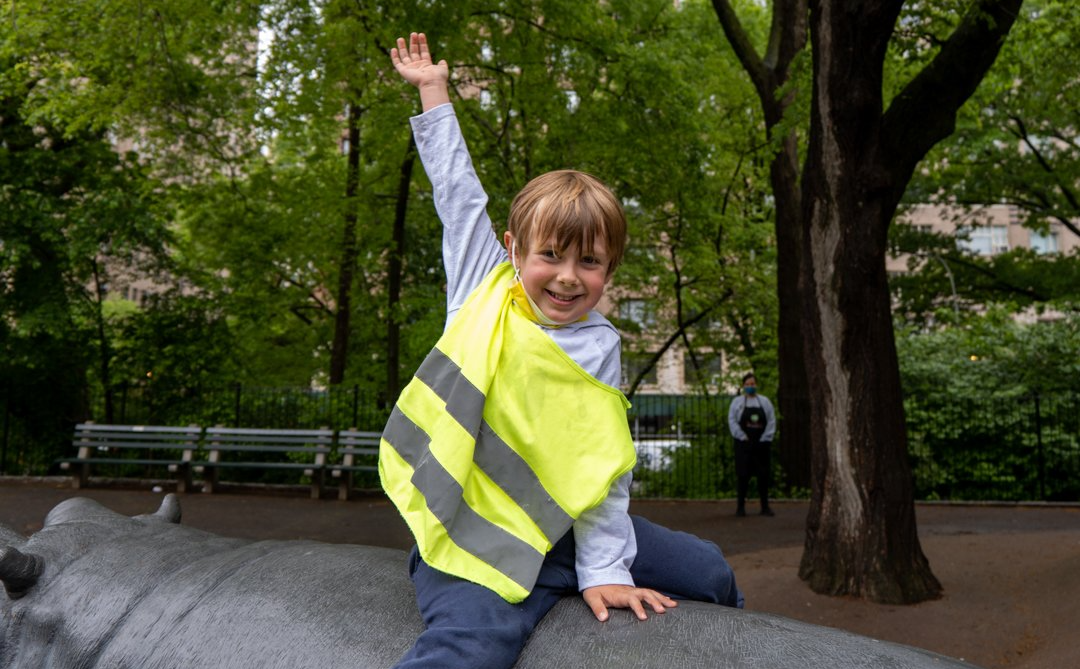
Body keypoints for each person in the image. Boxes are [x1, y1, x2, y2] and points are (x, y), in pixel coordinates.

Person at [381, 32, 743, 669]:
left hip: (564, 530)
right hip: (475, 528)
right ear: (514, 249)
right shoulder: (480, 289)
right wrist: (434, 92)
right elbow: (457, 194)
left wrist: (604, 566)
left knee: (709, 569)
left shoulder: (599, 345)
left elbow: (598, 465)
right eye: (550, 254)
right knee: (470, 647)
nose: (569, 275)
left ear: (611, 269)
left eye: (591, 261)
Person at [727, 372, 777, 517]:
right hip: (743, 445)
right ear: (743, 386)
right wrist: (742, 436)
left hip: (762, 445)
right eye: (747, 384)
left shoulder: (765, 402)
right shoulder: (737, 403)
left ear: (756, 385)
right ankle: (740, 507)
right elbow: (732, 421)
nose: (750, 387)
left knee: (763, 476)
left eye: (752, 384)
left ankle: (765, 506)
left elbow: (771, 421)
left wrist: (765, 438)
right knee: (743, 475)